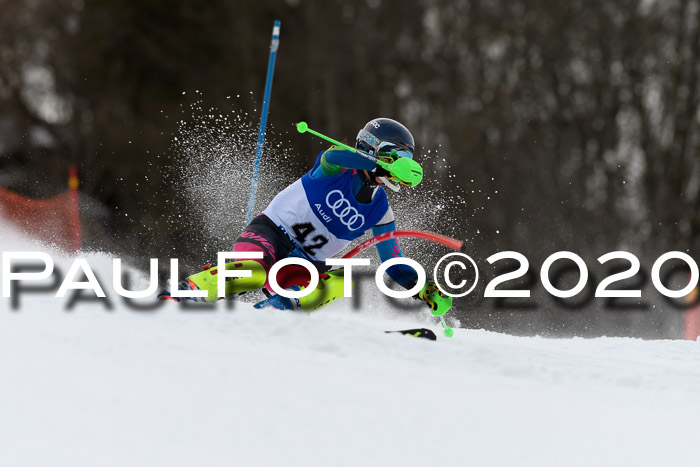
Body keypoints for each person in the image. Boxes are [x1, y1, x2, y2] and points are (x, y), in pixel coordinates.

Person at [160, 118, 452, 316]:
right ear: (370, 148)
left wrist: (424, 289)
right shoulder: (336, 167)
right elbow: (332, 158)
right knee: (253, 271)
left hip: (302, 265)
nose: (401, 167)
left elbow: (393, 265)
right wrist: (374, 164)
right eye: (395, 157)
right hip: (270, 234)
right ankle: (187, 292)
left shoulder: (381, 212)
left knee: (344, 279)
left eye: (407, 161)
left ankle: (275, 312)